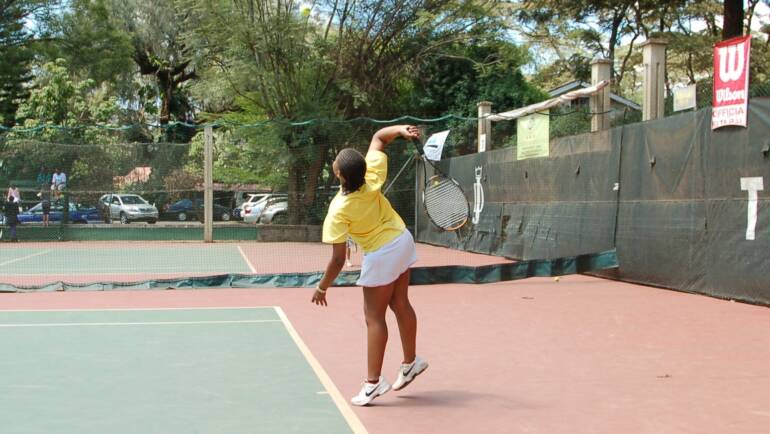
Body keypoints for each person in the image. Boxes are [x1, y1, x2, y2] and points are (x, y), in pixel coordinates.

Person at [312, 125, 429, 406]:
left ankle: (373, 383)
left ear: (339, 173)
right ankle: (410, 362)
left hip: (382, 253)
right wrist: (402, 129)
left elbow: (339, 259)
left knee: (374, 318)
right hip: (403, 239)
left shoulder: (338, 210)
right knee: (401, 303)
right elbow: (379, 137)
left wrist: (322, 287)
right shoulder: (373, 176)